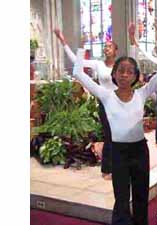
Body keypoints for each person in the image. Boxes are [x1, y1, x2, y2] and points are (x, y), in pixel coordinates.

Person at [64, 20, 157, 225]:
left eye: (130, 71)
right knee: (121, 198)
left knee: (140, 196)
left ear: (136, 76)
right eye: (121, 70)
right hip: (119, 153)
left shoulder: (142, 93)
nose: (125, 75)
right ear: (114, 74)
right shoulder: (106, 96)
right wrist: (82, 46)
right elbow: (78, 73)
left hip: (139, 151)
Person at [53, 28, 118, 180]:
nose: (106, 48)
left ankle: (120, 166)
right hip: (105, 103)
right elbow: (77, 62)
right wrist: (63, 41)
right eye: (105, 46)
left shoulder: (120, 65)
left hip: (120, 103)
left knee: (120, 136)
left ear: (116, 50)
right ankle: (107, 169)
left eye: (110, 46)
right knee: (109, 136)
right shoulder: (98, 64)